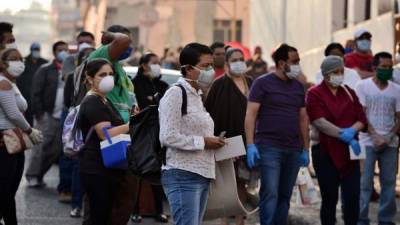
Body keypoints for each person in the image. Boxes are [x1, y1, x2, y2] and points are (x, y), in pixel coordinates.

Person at [159, 43, 225, 225]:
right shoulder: (176, 94)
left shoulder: (197, 96)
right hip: (182, 173)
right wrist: (204, 142)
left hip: (202, 172)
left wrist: (217, 143)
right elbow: (168, 136)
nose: (210, 71)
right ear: (188, 69)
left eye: (211, 65)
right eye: (205, 66)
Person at [244, 44, 310, 225]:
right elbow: (250, 115)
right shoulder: (262, 83)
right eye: (294, 61)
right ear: (282, 63)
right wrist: (250, 144)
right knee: (270, 192)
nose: (298, 65)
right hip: (269, 147)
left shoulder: (298, 86)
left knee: (285, 195)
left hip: (293, 149)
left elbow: (303, 119)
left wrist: (306, 148)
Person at [306, 55, 367, 225]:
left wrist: (352, 131)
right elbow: (320, 121)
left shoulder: (349, 92)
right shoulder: (314, 93)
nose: (340, 75)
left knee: (353, 196)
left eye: (341, 71)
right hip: (325, 152)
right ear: (325, 74)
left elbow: (362, 118)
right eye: (335, 72)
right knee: (330, 197)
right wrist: (343, 135)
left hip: (350, 153)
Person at [87, 24, 138, 225]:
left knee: (123, 202)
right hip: (110, 141)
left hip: (124, 141)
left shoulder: (120, 68)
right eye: (126, 41)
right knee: (102, 208)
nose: (129, 46)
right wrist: (110, 36)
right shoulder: (101, 57)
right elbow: (104, 133)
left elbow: (128, 99)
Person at [77, 58, 129, 225]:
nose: (108, 78)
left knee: (104, 215)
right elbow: (106, 134)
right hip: (96, 168)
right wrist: (132, 124)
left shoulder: (104, 99)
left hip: (108, 166)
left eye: (111, 74)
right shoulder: (93, 101)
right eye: (102, 75)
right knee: (97, 217)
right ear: (90, 78)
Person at [205, 48, 252, 225]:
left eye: (242, 59)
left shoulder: (251, 82)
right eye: (235, 60)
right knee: (226, 182)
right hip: (226, 142)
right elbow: (209, 112)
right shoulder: (219, 84)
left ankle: (240, 219)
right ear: (227, 63)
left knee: (242, 183)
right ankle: (224, 220)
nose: (239, 62)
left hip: (248, 141)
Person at [356, 52, 400, 225]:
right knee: (364, 182)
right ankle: (361, 218)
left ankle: (385, 219)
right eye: (384, 67)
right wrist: (374, 135)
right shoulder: (362, 86)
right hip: (366, 141)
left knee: (388, 183)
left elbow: (399, 117)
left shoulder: (397, 90)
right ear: (374, 68)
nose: (387, 70)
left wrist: (388, 137)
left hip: (390, 143)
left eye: (390, 67)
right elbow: (361, 113)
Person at [0, 48, 42, 225]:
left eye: (20, 59)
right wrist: (30, 130)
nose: (19, 63)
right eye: (13, 59)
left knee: (9, 191)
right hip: (5, 142)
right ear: (3, 63)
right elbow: (13, 114)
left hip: (14, 141)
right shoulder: (3, 83)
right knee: (5, 190)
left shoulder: (11, 82)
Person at [25, 41, 69, 192]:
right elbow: (35, 92)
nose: (63, 52)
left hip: (62, 115)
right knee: (40, 147)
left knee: (55, 149)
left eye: (65, 49)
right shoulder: (45, 69)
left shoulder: (71, 70)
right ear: (54, 52)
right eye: (60, 50)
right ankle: (32, 175)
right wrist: (39, 113)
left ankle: (40, 175)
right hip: (46, 114)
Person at [130, 52, 168, 223]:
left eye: (159, 62)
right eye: (154, 62)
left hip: (160, 133)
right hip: (141, 133)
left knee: (157, 172)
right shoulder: (135, 84)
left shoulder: (162, 85)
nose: (157, 66)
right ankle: (135, 210)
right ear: (144, 65)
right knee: (139, 171)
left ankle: (158, 210)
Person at [16, 42, 48, 126]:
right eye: (34, 49)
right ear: (31, 50)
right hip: (26, 94)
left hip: (40, 95)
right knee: (27, 117)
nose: (36, 51)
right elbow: (19, 79)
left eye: (37, 49)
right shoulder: (23, 62)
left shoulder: (44, 63)